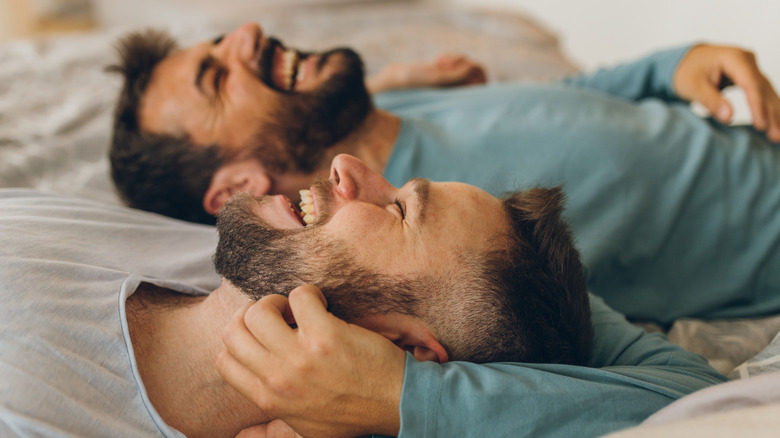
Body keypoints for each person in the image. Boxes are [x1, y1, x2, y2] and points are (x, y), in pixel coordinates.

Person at [108, 23, 780, 328]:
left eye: (219, 42)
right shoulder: (446, 243)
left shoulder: (382, 108)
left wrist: (671, 66)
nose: (248, 32)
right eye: (216, 77)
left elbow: (566, 105)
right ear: (236, 190)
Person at [0, 156, 724, 437]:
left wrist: (403, 396)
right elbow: (692, 392)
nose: (348, 166)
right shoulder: (235, 251)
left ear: (401, 344)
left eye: (400, 209)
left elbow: (705, 415)